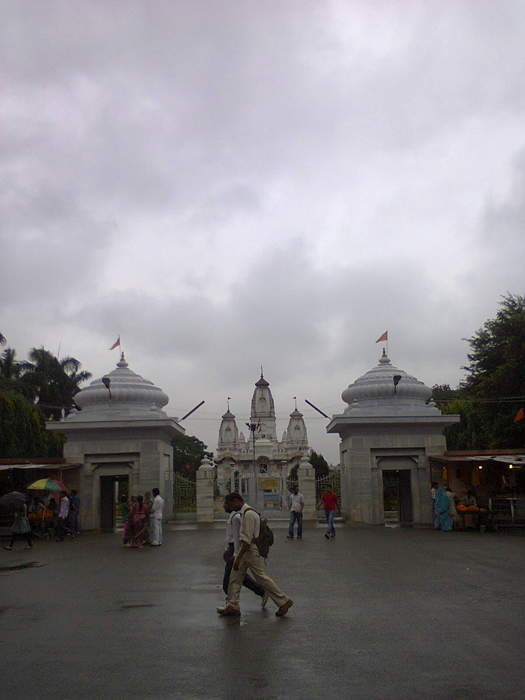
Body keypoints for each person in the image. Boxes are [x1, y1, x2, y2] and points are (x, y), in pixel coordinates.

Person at [217, 493, 293, 618]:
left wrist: (238, 557)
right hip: (245, 550)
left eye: (229, 503)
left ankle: (283, 601)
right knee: (235, 578)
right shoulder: (243, 513)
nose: (229, 506)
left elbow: (247, 540)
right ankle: (233, 605)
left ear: (236, 501)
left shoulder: (249, 514)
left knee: (262, 578)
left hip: (249, 551)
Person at [222, 496, 267, 607]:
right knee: (239, 577)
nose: (224, 506)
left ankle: (232, 603)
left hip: (236, 549)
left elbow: (238, 538)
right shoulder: (233, 516)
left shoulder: (236, 517)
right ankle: (232, 604)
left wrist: (235, 554)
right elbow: (231, 536)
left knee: (230, 581)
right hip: (232, 549)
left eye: (226, 504)